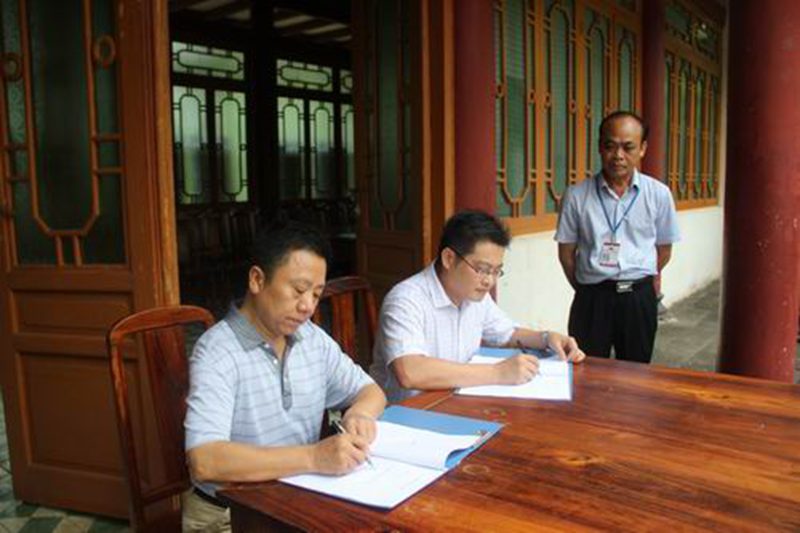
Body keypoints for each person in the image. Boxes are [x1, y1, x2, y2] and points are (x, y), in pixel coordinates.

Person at [183, 221, 386, 532]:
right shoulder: (217, 352)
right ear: (257, 280)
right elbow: (205, 460)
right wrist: (314, 457)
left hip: (293, 501)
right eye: (299, 290)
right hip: (229, 515)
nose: (307, 306)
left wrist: (360, 414)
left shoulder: (311, 339)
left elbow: (371, 391)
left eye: (316, 294)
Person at [370, 210, 585, 403]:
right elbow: (410, 372)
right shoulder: (406, 300)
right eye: (482, 269)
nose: (489, 281)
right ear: (449, 258)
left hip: (454, 403)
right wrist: (498, 373)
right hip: (406, 416)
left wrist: (547, 338)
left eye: (496, 271)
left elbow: (507, 333)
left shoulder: (475, 296)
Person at [555, 110, 680, 364]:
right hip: (592, 299)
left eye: (628, 147)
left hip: (638, 299)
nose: (618, 155)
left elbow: (664, 250)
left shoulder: (659, 194)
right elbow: (566, 254)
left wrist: (639, 278)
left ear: (642, 149)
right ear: (600, 147)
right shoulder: (576, 195)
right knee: (585, 369)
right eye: (610, 146)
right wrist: (589, 287)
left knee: (636, 374)